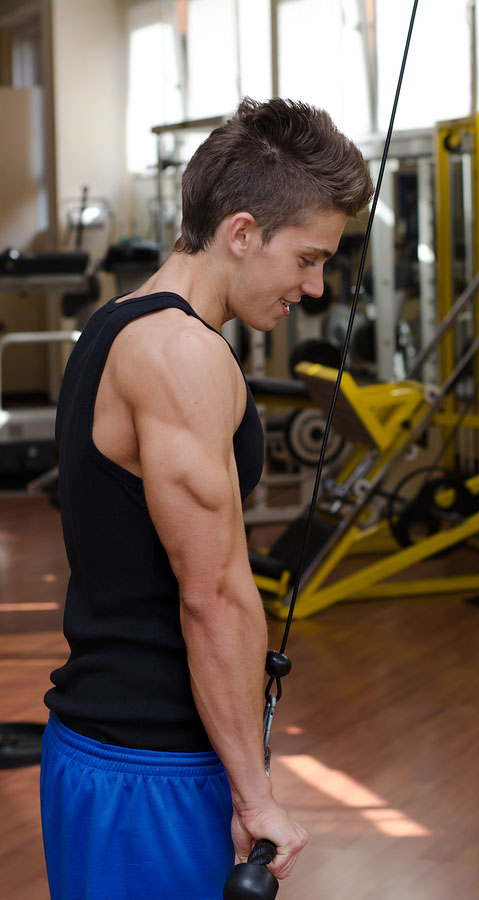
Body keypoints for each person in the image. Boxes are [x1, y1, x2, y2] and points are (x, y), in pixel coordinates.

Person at [40, 96, 374, 900]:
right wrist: (254, 793)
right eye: (307, 258)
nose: (318, 287)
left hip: (111, 749)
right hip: (148, 767)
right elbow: (214, 595)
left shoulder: (115, 324)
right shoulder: (184, 355)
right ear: (242, 233)